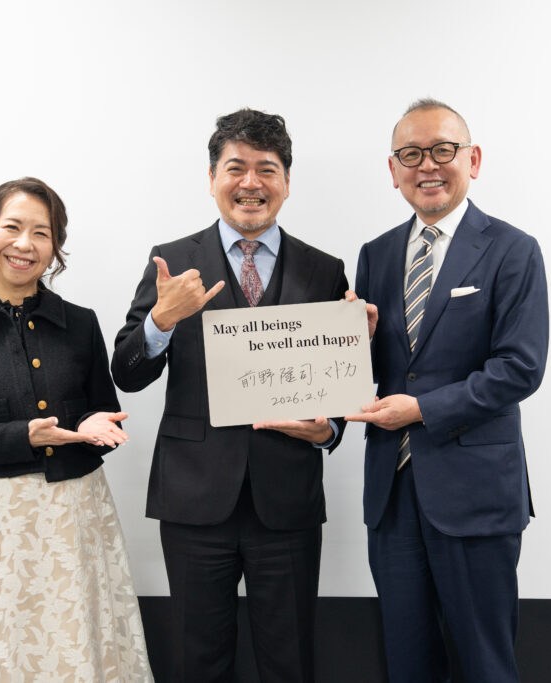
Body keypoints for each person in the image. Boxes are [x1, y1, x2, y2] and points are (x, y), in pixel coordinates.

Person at [112, 109, 348, 683]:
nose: (251, 183)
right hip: (194, 497)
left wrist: (331, 428)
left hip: (286, 498)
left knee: (290, 661)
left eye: (267, 169)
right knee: (199, 660)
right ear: (212, 177)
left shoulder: (325, 269)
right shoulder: (172, 260)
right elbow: (127, 373)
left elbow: (337, 379)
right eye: (235, 167)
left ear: (286, 181)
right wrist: (160, 322)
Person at [345, 99, 549, 683]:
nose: (427, 165)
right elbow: (376, 373)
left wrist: (422, 410)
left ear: (473, 160)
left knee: (485, 662)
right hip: (392, 493)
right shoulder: (376, 254)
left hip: (475, 493)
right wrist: (357, 343)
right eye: (411, 154)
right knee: (407, 661)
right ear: (393, 170)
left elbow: (520, 368)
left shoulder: (512, 249)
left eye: (442, 150)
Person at [0, 177, 152, 682]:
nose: (25, 244)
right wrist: (25, 436)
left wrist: (94, 424)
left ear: (55, 248)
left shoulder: (81, 323)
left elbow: (103, 410)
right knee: (0, 648)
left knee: (76, 643)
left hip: (76, 517)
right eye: (12, 227)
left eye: (41, 233)